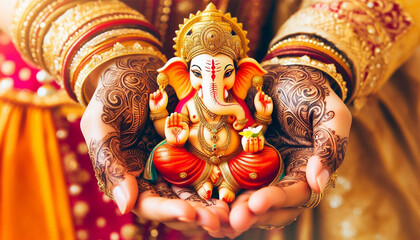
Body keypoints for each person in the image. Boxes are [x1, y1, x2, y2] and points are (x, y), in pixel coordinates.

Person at [0, 0, 419, 239]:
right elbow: (169, 127)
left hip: (262, 142)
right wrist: (94, 46)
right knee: (167, 158)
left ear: (241, 73)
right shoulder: (179, 95)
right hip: (54, 118)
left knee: (265, 163)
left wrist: (320, 58)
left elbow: (245, 120)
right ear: (184, 77)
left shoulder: (243, 93)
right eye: (201, 74)